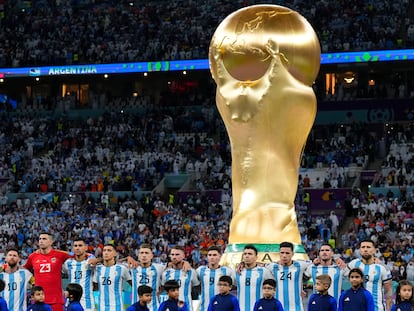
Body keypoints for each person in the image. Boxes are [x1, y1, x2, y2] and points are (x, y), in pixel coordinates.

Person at [24, 233, 71, 311]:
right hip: (38, 301)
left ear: (51, 242)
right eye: (40, 239)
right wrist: (32, 281)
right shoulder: (33, 256)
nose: (41, 241)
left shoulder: (60, 254)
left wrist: (95, 259)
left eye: (44, 239)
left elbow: (77, 256)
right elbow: (24, 270)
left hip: (56, 301)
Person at [347, 239, 392, 311]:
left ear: (374, 250)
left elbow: (388, 293)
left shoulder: (383, 268)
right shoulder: (353, 264)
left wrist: (388, 309)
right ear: (360, 250)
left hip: (376, 308)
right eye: (363, 247)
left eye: (368, 247)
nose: (365, 249)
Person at [266, 242, 309, 311]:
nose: (284, 255)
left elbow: (315, 263)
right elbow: (259, 265)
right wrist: (242, 264)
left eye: (287, 253)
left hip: (296, 308)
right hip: (277, 308)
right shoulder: (272, 266)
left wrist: (301, 287)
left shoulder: (300, 265)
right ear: (279, 253)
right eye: (282, 253)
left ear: (292, 254)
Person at [93, 244, 132, 311]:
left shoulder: (122, 268)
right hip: (102, 308)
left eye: (109, 250)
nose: (106, 252)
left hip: (117, 307)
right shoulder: (97, 268)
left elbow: (133, 284)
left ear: (115, 254)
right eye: (104, 250)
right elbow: (94, 287)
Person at [236, 245, 274, 311]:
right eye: (245, 254)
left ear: (256, 257)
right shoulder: (237, 272)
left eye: (250, 254)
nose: (247, 256)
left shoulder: (264, 271)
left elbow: (273, 287)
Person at [63, 238, 98, 311]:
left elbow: (97, 261)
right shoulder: (68, 263)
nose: (77, 248)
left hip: (87, 303)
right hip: (71, 302)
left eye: (80, 245)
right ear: (73, 248)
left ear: (86, 247)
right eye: (75, 246)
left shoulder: (90, 261)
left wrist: (95, 258)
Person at [196, 246, 235, 311]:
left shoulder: (227, 271)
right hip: (204, 308)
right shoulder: (200, 270)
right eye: (210, 255)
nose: (212, 257)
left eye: (214, 255)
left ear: (220, 256)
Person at [161, 246, 199, 311]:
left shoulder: (191, 272)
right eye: (172, 254)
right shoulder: (165, 273)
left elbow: (197, 287)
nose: (174, 257)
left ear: (183, 256)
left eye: (177, 254)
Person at [130, 244, 164, 311]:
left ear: (152, 256)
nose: (144, 255)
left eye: (147, 253)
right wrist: (127, 258)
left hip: (154, 308)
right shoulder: (132, 267)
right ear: (138, 255)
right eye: (141, 253)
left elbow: (173, 264)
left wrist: (185, 262)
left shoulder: (159, 267)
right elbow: (106, 261)